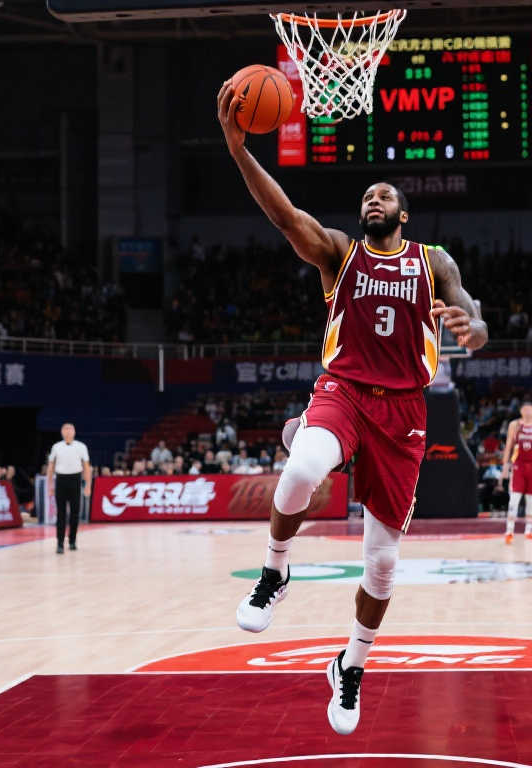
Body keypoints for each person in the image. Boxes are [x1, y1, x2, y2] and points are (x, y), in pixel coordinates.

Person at [217, 78, 488, 736]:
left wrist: (474, 330)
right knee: (302, 468)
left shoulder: (433, 261)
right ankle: (275, 571)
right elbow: (287, 218)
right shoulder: (340, 254)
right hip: (344, 390)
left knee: (383, 562)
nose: (373, 199)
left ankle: (351, 665)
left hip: (405, 413)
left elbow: (473, 315)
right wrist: (239, 150)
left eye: (385, 195)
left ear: (403, 214)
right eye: (367, 194)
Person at [499, 401, 532, 543]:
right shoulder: (514, 425)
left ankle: (529, 530)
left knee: (531, 500)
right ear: (521, 411)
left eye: (530, 409)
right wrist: (505, 465)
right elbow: (509, 445)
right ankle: (509, 530)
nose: (527, 411)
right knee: (514, 498)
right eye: (525, 409)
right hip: (518, 466)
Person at [46, 423, 91, 554]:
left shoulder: (81, 446)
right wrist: (50, 485)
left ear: (74, 431)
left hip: (75, 479)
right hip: (61, 480)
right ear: (61, 432)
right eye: (65, 429)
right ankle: (60, 543)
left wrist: (88, 485)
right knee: (61, 513)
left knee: (75, 513)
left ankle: (72, 540)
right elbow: (50, 467)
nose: (68, 431)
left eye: (70, 429)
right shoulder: (56, 447)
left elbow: (86, 467)